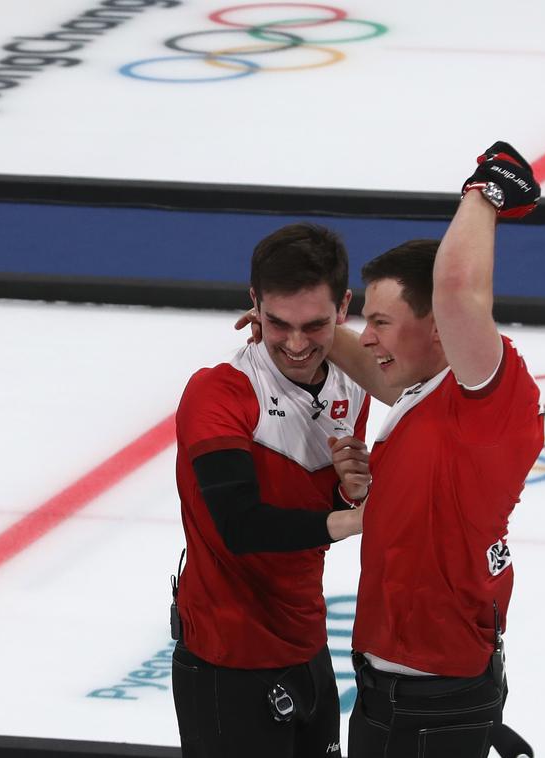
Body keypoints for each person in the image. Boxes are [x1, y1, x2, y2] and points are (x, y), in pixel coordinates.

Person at [323, 142, 544, 758]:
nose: (366, 337)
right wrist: (297, 325)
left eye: (382, 323)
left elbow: (456, 288)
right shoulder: (427, 395)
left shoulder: (488, 400)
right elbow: (371, 365)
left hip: (432, 702)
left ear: (442, 327)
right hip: (386, 689)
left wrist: (487, 188)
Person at [172, 223, 371, 758]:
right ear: (254, 302)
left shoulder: (354, 384)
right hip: (227, 656)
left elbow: (310, 512)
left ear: (345, 306)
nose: (297, 344)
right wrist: (355, 521)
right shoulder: (218, 391)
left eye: (315, 325)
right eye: (278, 323)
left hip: (307, 642)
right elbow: (240, 525)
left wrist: (349, 497)